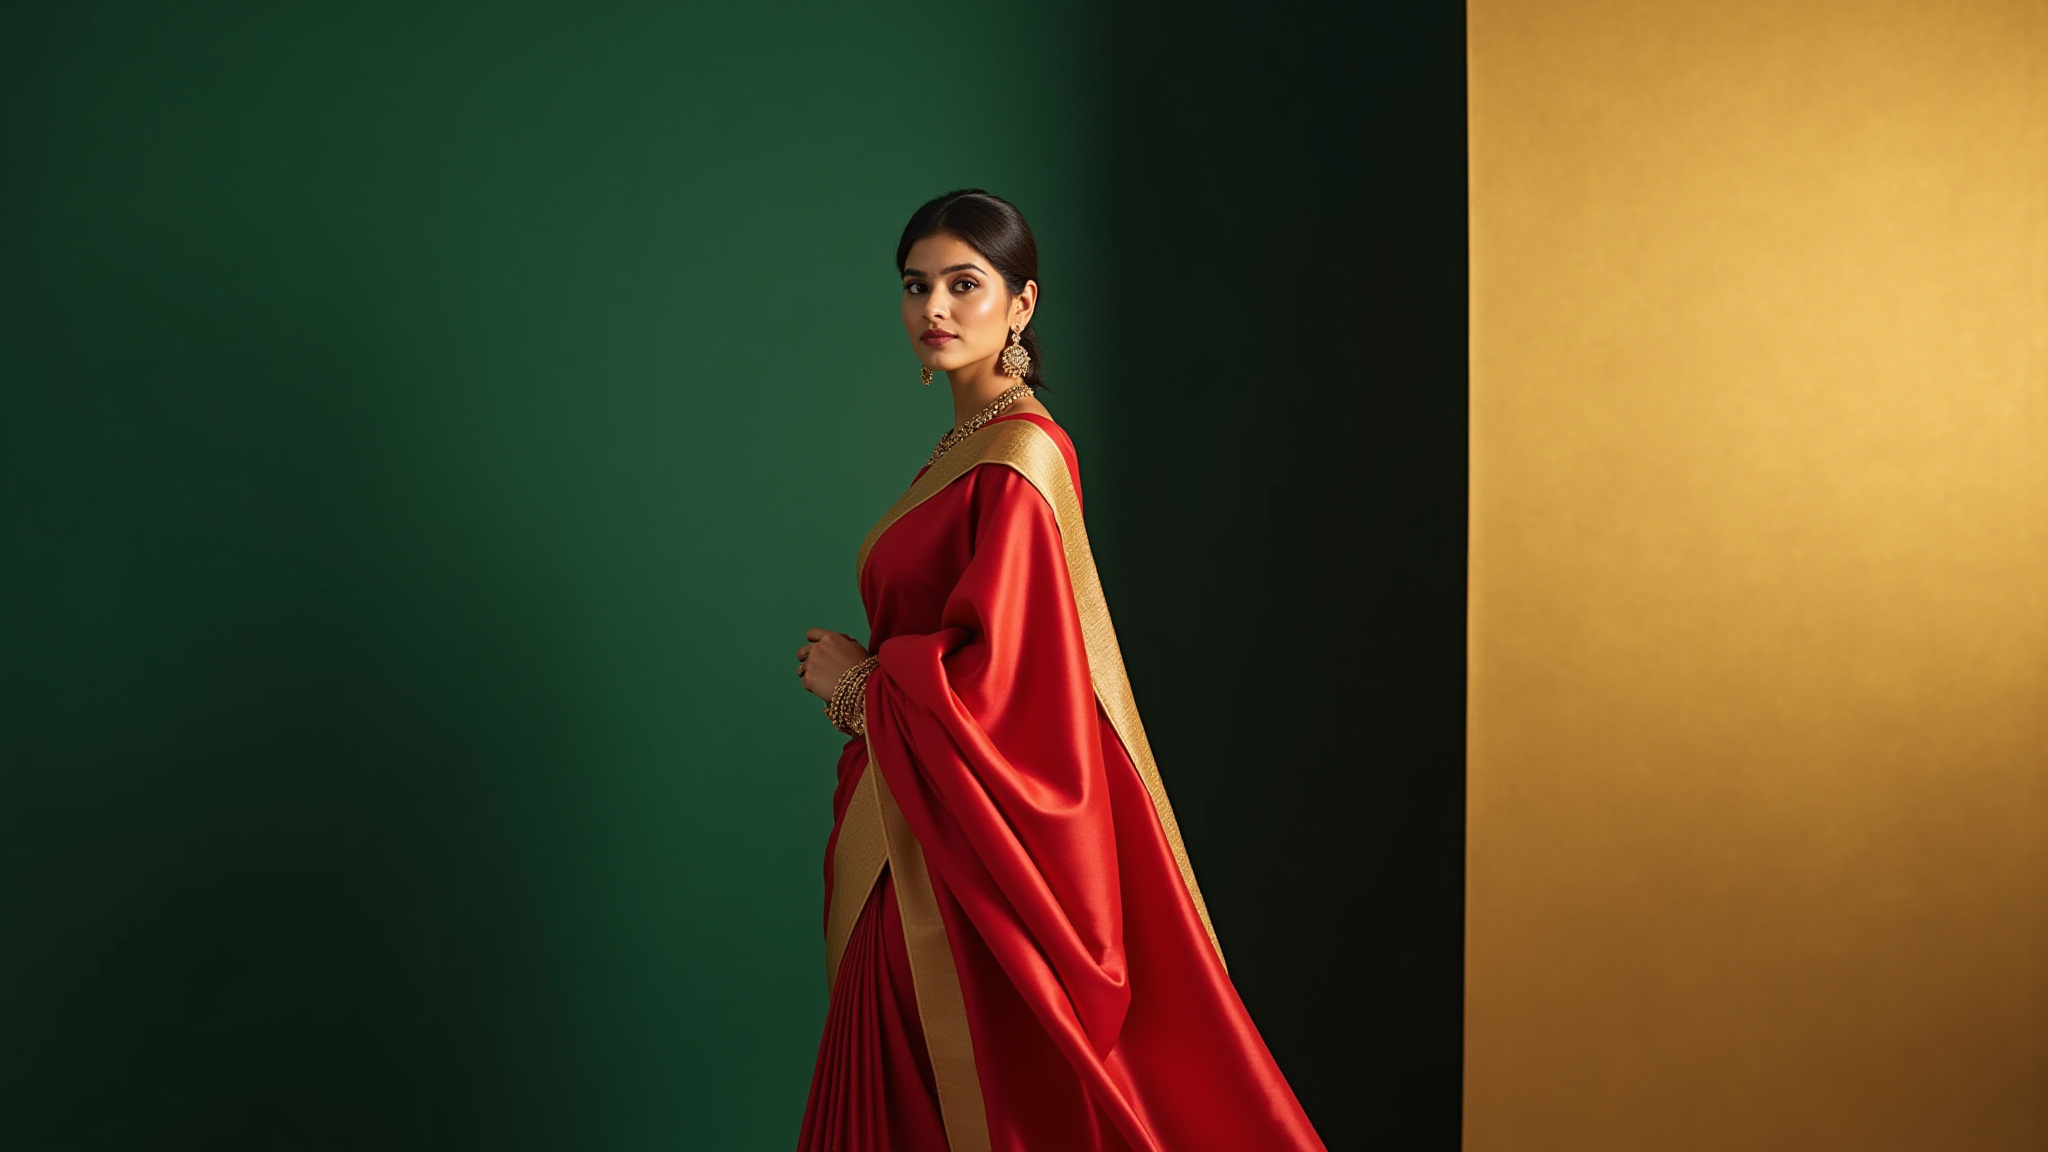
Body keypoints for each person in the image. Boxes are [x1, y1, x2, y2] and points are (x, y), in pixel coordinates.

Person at [792, 188, 1325, 1152]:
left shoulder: (1021, 458)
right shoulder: (964, 451)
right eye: (916, 285)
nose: (934, 308)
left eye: (965, 284)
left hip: (957, 858)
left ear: (1022, 303)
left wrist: (862, 689)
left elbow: (1008, 682)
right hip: (910, 823)